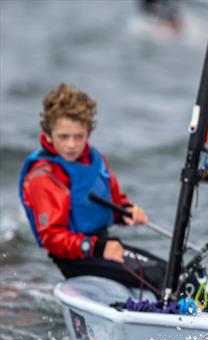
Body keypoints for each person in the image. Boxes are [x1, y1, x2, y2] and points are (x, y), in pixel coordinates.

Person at [19, 83, 166, 294]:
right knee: (159, 277)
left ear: (88, 133)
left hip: (103, 245)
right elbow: (51, 238)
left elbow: (114, 201)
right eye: (63, 136)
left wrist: (127, 211)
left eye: (79, 136)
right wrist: (97, 248)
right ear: (49, 135)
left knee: (170, 271)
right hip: (76, 259)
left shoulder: (94, 160)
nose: (71, 145)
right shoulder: (44, 175)